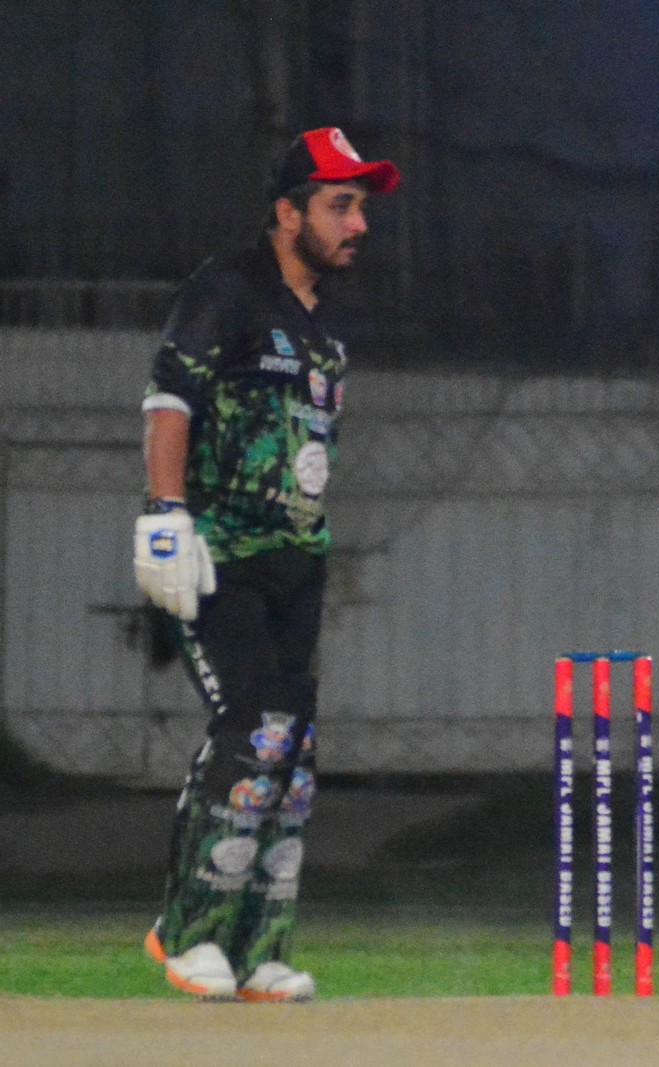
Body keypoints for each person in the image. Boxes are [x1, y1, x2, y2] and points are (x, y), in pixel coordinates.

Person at [133, 127, 399, 1001]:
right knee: (256, 729)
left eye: (360, 207)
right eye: (340, 205)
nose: (358, 224)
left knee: (294, 752)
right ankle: (188, 933)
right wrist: (166, 517)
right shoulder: (228, 289)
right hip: (220, 555)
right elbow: (170, 400)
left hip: (296, 564)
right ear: (289, 213)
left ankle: (258, 948)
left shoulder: (321, 322)